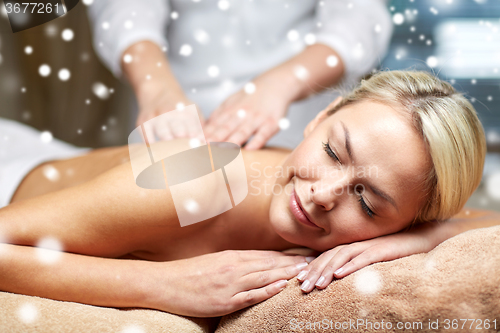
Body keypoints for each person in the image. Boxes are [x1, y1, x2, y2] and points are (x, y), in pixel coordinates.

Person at [1, 70, 498, 318]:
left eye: (367, 202)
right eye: (331, 151)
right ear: (320, 120)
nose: (323, 194)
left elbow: (482, 219)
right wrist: (164, 286)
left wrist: (414, 241)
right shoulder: (197, 181)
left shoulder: (402, 226)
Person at [87, 0, 392, 149]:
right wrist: (156, 88)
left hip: (295, 113)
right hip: (173, 106)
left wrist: (282, 83)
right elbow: (124, 10)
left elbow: (360, 22)